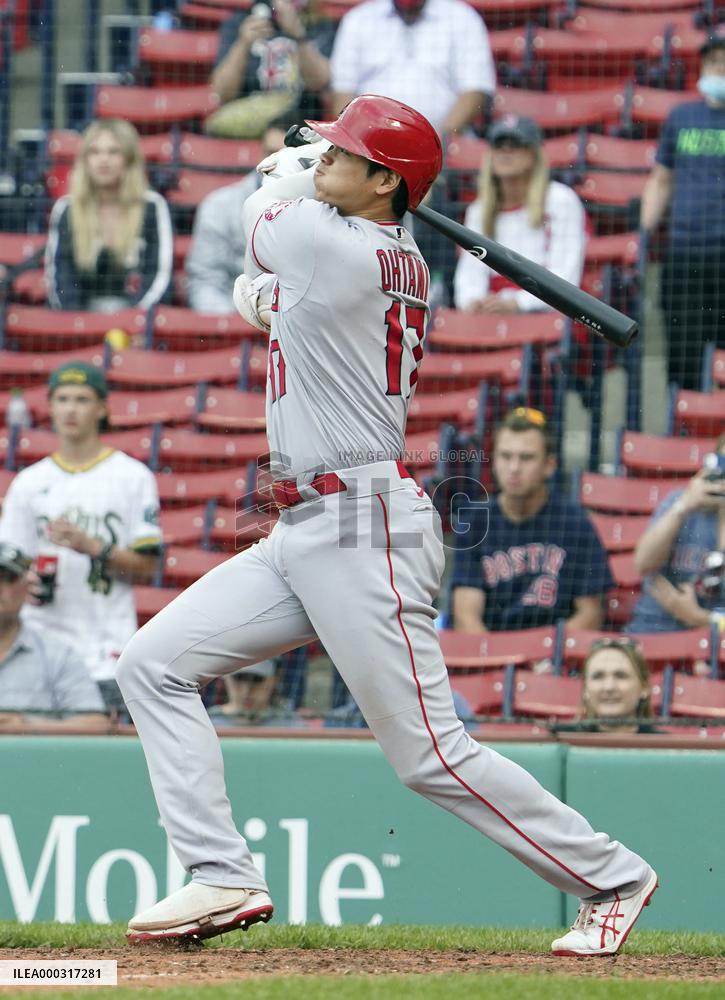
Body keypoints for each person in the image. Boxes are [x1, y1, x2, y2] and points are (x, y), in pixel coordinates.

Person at [117, 96, 656, 957]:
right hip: (307, 523)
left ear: (381, 182)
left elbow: (260, 219)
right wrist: (289, 238)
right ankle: (221, 873)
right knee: (152, 666)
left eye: (341, 155)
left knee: (428, 756)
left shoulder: (333, 241)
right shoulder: (374, 251)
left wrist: (284, 176)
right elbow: (258, 294)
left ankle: (613, 875)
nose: (322, 158)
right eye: (322, 153)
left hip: (363, 522)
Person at [0, 362, 163, 713]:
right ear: (50, 406)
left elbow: (149, 569)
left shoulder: (133, 477)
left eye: (82, 399)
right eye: (62, 399)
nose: (71, 408)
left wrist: (91, 546)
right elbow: (9, 564)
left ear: (102, 408)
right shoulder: (28, 482)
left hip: (107, 651)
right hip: (39, 646)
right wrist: (23, 581)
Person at [451, 408, 614, 634]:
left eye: (526, 458)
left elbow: (590, 615)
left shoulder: (576, 524)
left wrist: (544, 656)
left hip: (553, 659)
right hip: (493, 656)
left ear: (549, 465)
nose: (514, 468)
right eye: (506, 456)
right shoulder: (475, 522)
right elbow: (466, 617)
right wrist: (500, 661)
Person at [640, 28, 725, 390]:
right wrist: (643, 235)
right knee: (683, 353)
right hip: (685, 251)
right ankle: (684, 428)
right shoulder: (681, 116)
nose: (719, 69)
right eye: (713, 61)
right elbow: (661, 179)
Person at [454, 115, 587, 313]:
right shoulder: (478, 210)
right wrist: (473, 303)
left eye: (516, 144)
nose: (506, 151)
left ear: (534, 154)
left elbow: (566, 278)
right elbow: (469, 277)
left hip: (547, 316)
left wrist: (518, 303)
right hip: (491, 314)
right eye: (499, 144)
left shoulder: (561, 199)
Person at [45, 119, 173, 312]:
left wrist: (131, 320)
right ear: (85, 160)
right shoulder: (66, 209)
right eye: (94, 152)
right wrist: (79, 325)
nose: (103, 160)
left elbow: (158, 276)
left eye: (113, 152)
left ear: (129, 159)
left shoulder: (153, 206)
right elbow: (60, 280)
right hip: (79, 321)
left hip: (137, 324)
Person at [329, 0, 495, 138]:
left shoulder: (462, 17)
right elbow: (342, 92)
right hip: (369, 138)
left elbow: (475, 91)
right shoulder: (359, 18)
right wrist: (357, 137)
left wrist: (439, 139)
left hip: (443, 140)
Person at [0, 542, 108, 733]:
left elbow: (96, 725)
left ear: (28, 586)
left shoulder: (57, 654)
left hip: (31, 761)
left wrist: (27, 727)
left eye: (7, 578)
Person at [186, 118, 290, 313]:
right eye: (270, 152)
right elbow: (205, 281)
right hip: (232, 316)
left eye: (286, 156)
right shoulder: (219, 205)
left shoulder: (321, 207)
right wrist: (237, 325)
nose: (276, 162)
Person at [627, 433, 725, 636]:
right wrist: (683, 507)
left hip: (715, 645)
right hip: (653, 628)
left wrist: (699, 618)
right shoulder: (681, 501)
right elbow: (643, 564)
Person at [207, 0, 334, 139]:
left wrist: (298, 35)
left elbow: (319, 82)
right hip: (250, 114)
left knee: (275, 138)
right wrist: (243, 43)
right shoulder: (240, 21)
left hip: (299, 115)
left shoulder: (320, 25)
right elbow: (222, 93)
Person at [555, 639, 658, 736]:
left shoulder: (666, 748)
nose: (609, 687)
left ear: (644, 688)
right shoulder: (561, 739)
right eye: (598, 677)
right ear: (585, 689)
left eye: (620, 676)